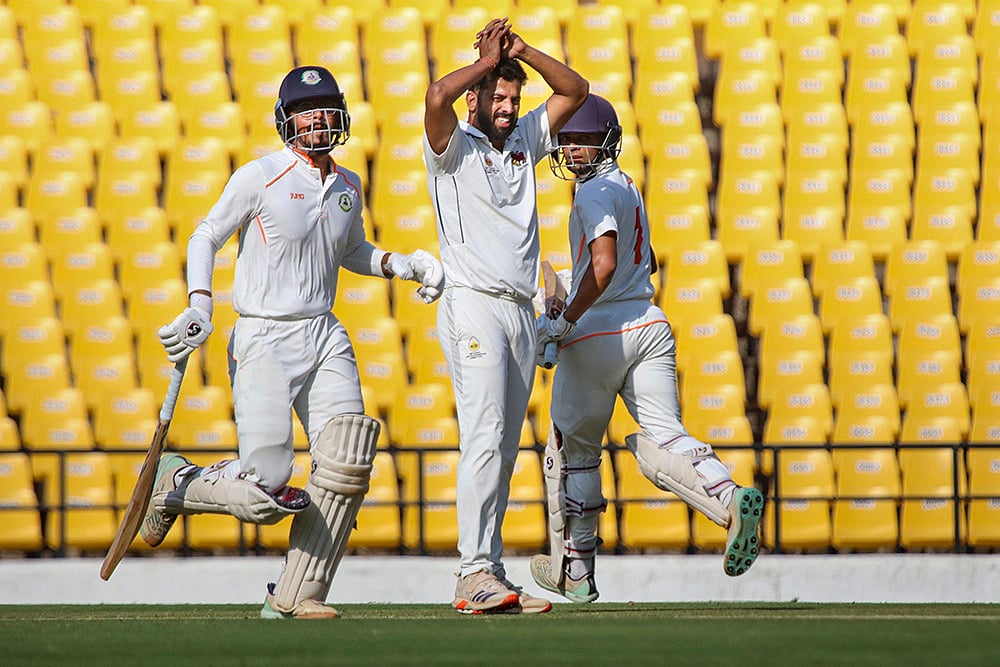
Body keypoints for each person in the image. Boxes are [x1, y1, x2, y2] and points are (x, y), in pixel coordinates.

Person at [141, 65, 445, 619]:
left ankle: (296, 594)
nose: (318, 120)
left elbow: (351, 250)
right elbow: (206, 235)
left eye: (326, 109)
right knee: (264, 492)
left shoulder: (348, 185)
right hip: (263, 335)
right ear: (286, 120)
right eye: (307, 111)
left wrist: (399, 264)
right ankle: (177, 482)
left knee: (347, 461)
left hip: (323, 332)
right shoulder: (260, 176)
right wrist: (201, 303)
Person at [528, 95, 765, 603]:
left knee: (574, 454)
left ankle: (575, 571)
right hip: (649, 322)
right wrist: (573, 278)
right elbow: (646, 260)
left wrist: (564, 317)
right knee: (667, 436)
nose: (572, 150)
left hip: (597, 331)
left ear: (607, 141)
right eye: (567, 141)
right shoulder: (627, 185)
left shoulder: (592, 192)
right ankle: (729, 498)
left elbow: (604, 264)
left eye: (584, 140)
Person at [422, 17, 589, 614]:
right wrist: (486, 63)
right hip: (472, 303)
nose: (507, 107)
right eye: (497, 97)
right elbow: (436, 97)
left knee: (504, 447)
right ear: (475, 98)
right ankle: (471, 572)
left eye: (513, 100)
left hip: (519, 309)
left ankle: (489, 569)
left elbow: (576, 91)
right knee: (485, 436)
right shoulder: (451, 148)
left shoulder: (523, 141)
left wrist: (523, 52)